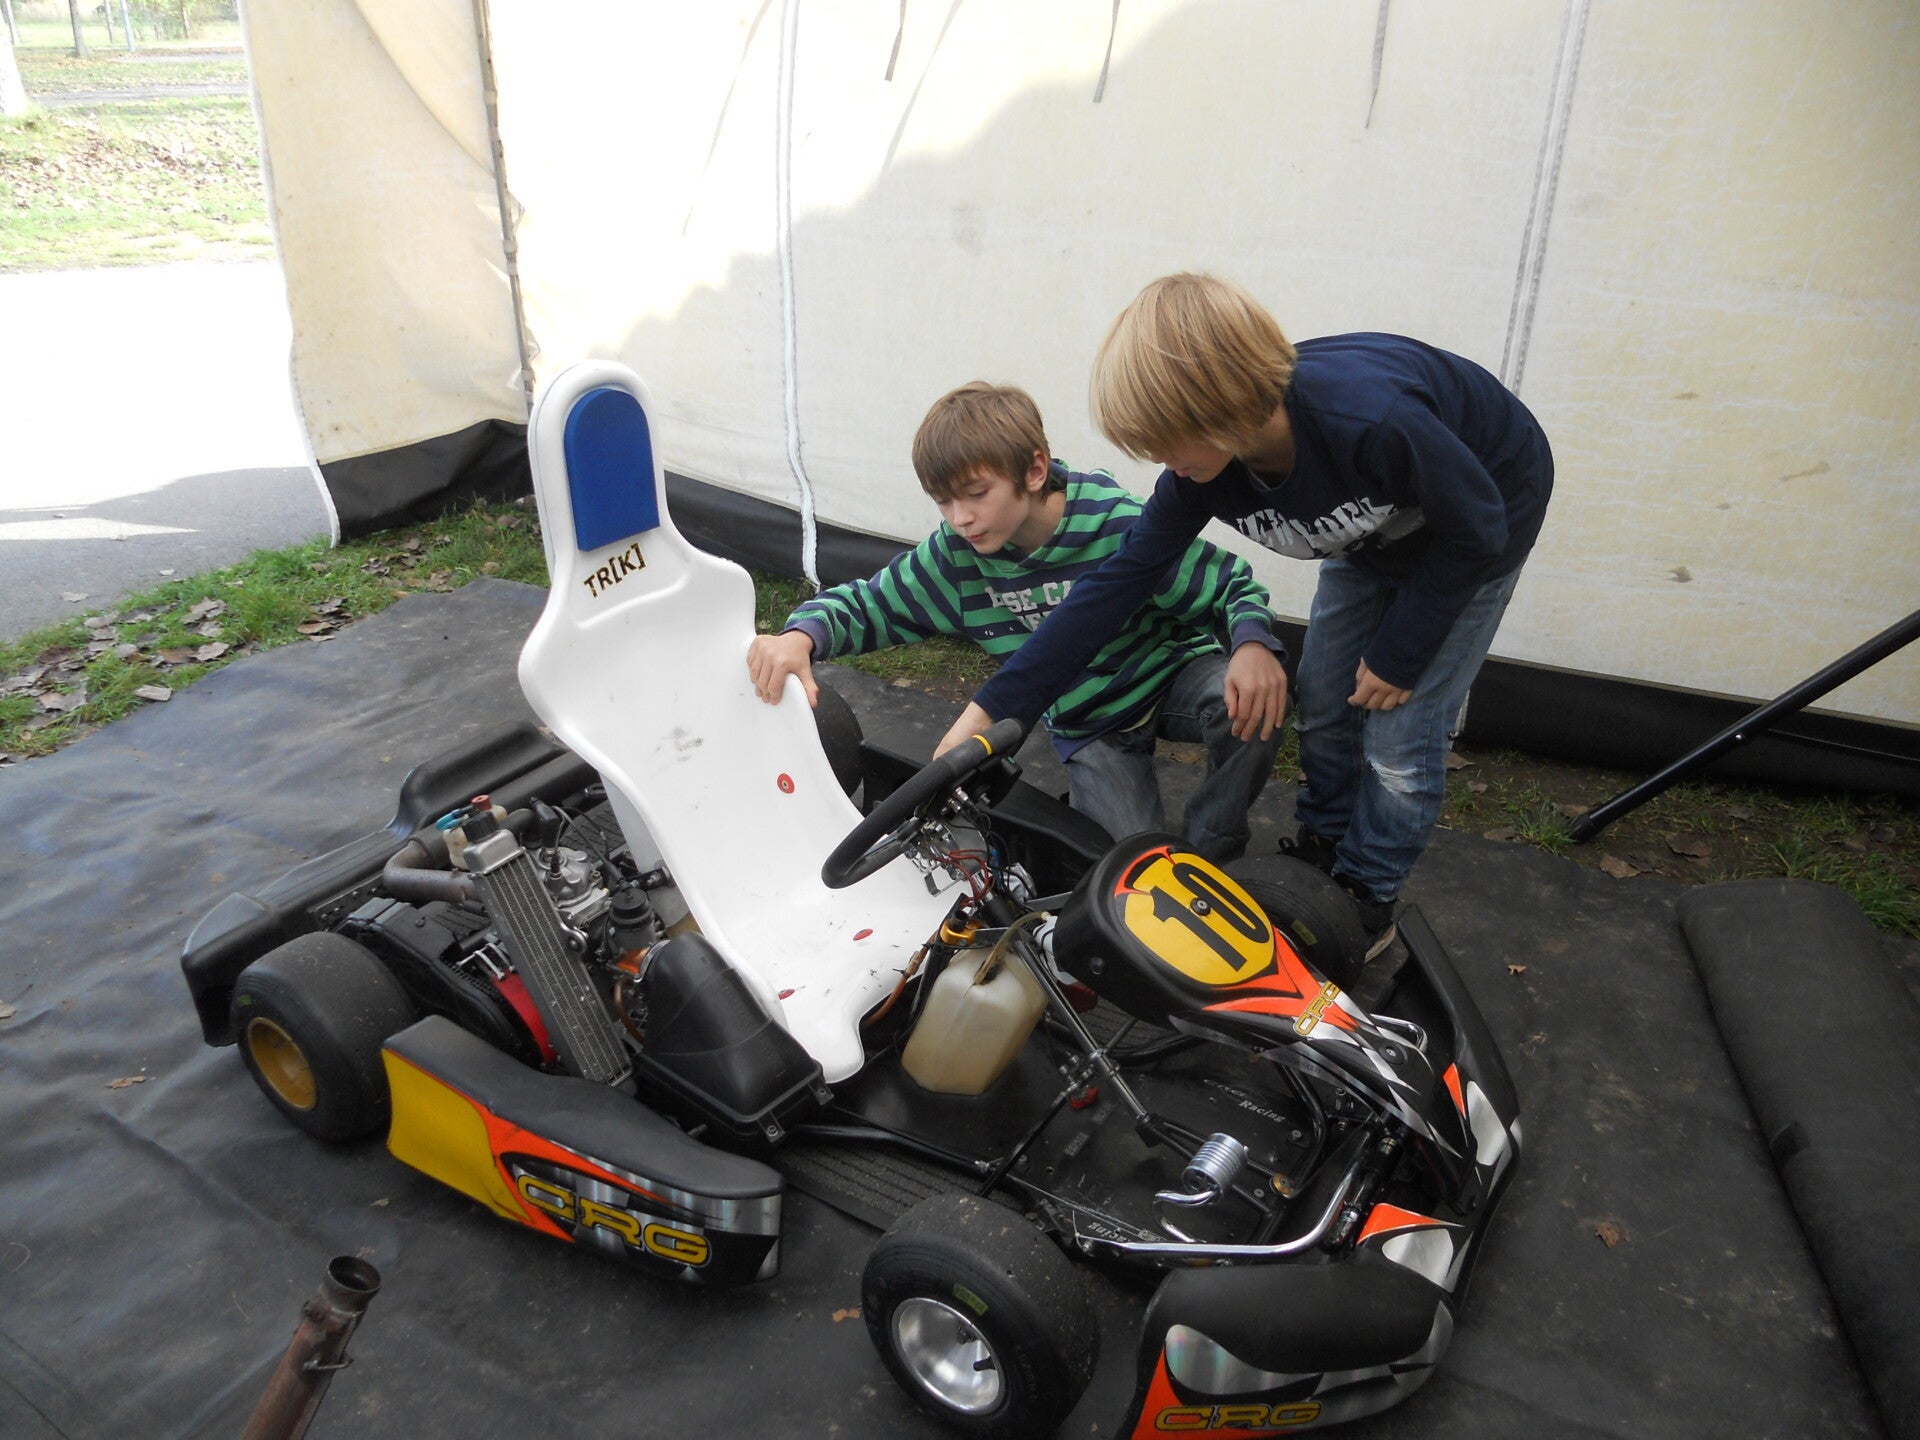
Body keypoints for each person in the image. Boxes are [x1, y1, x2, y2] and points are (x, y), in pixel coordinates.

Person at [936, 275, 1554, 957]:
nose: (1164, 464)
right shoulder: (1205, 471)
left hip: (1481, 519)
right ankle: (1325, 840)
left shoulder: (1371, 421)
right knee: (1325, 693)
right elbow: (1110, 589)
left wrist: (1401, 652)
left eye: (1168, 443)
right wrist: (988, 713)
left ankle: (1367, 888)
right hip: (1367, 528)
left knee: (1400, 736)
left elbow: (1479, 529)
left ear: (1221, 407)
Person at [748, 381, 1287, 864]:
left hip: (1169, 676)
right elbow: (872, 603)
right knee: (1127, 872)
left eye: (976, 494)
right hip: (1090, 725)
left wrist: (1253, 645)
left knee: (1247, 700)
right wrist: (801, 635)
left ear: (1033, 471)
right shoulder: (954, 559)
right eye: (944, 502)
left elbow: (1231, 584)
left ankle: (1213, 848)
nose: (961, 518)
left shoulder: (1114, 521)